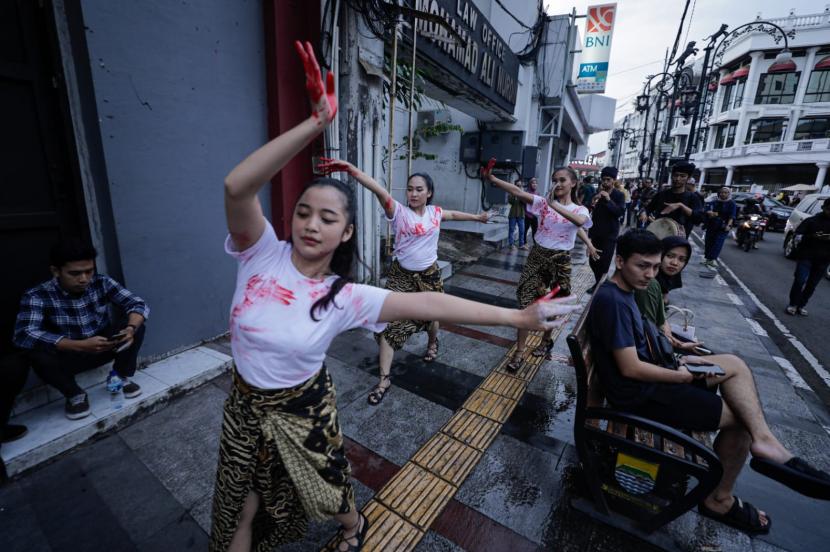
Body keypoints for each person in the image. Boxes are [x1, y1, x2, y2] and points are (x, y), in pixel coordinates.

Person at [210, 41, 578, 552]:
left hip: (304, 406)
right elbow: (235, 188)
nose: (311, 223)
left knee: (329, 486)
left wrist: (517, 314)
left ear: (345, 234)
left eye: (328, 217)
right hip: (244, 407)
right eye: (303, 212)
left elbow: (434, 304)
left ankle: (352, 525)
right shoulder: (259, 254)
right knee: (238, 507)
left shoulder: (341, 295)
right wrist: (316, 123)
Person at [589, 229, 830, 536]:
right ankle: (719, 498)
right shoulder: (613, 301)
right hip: (641, 394)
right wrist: (680, 374)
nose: (651, 274)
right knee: (740, 421)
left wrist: (677, 358)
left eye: (654, 265)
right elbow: (631, 368)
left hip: (657, 377)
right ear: (620, 261)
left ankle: (766, 442)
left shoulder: (623, 293)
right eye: (642, 266)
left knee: (735, 364)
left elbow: (641, 347)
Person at [315, 158, 488, 405]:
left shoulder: (435, 213)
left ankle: (432, 342)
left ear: (429, 193)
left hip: (429, 275)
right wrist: (352, 170)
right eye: (410, 189)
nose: (413, 193)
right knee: (387, 324)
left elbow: (453, 214)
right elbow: (378, 190)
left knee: (432, 317)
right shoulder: (398, 212)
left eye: (419, 189)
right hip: (401, 278)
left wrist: (477, 217)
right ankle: (384, 379)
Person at [13, 239, 148, 420]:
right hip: (68, 353)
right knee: (35, 354)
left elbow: (136, 303)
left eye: (89, 271)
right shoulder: (37, 295)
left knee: (136, 325)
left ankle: (119, 376)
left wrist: (130, 329)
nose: (84, 279)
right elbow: (24, 333)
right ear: (56, 271)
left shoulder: (102, 282)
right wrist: (78, 345)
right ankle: (75, 395)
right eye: (75, 273)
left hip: (103, 345)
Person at [482, 161, 591, 369]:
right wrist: (493, 179)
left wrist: (555, 206)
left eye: (562, 180)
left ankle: (545, 341)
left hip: (560, 261)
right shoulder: (542, 202)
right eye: (554, 181)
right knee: (526, 305)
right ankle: (520, 351)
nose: (557, 184)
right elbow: (517, 191)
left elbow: (579, 222)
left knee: (553, 305)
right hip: (537, 257)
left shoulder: (580, 209)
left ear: (573, 183)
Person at [786, 197, 830, 316]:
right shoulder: (811, 221)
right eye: (829, 209)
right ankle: (793, 304)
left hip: (824, 259)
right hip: (806, 256)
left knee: (812, 285)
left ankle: (801, 305)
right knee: (800, 280)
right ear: (824, 208)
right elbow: (798, 236)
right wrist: (813, 237)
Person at [587, 166, 625, 293]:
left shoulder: (618, 195)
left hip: (610, 235)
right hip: (596, 233)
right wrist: (593, 201)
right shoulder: (597, 193)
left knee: (604, 263)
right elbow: (592, 214)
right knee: (593, 261)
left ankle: (598, 286)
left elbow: (619, 212)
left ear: (613, 180)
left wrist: (608, 200)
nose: (605, 182)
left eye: (608, 180)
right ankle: (599, 282)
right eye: (603, 179)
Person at [640, 162, 702, 237]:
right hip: (658, 237)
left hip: (679, 243)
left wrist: (681, 206)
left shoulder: (693, 197)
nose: (678, 179)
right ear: (672, 176)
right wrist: (643, 213)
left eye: (682, 176)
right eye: (676, 175)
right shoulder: (661, 195)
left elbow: (699, 218)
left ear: (688, 178)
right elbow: (647, 209)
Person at [702, 187, 737, 268]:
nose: (723, 194)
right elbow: (706, 210)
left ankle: (712, 259)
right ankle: (707, 258)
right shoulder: (714, 202)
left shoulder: (731, 203)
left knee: (718, 242)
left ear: (729, 194)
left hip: (723, 226)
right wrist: (708, 212)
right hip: (712, 225)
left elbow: (732, 216)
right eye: (721, 192)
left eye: (725, 192)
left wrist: (728, 225)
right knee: (708, 241)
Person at [655, 235, 691, 305]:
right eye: (669, 256)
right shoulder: (647, 284)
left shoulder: (667, 280)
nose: (675, 263)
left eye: (681, 259)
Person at [507, 179, 527, 250]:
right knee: (511, 229)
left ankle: (521, 245)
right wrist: (515, 194)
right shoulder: (511, 193)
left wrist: (521, 194)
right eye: (517, 185)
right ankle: (511, 244)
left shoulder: (524, 193)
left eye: (520, 185)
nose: (519, 187)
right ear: (515, 185)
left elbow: (525, 202)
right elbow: (510, 201)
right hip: (513, 214)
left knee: (522, 230)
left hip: (521, 214)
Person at [524, 177, 539, 244]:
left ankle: (535, 244)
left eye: (536, 183)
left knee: (535, 230)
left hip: (534, 215)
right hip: (527, 215)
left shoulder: (537, 193)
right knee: (525, 230)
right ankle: (524, 243)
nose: (535, 184)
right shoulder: (527, 193)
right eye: (533, 183)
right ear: (530, 184)